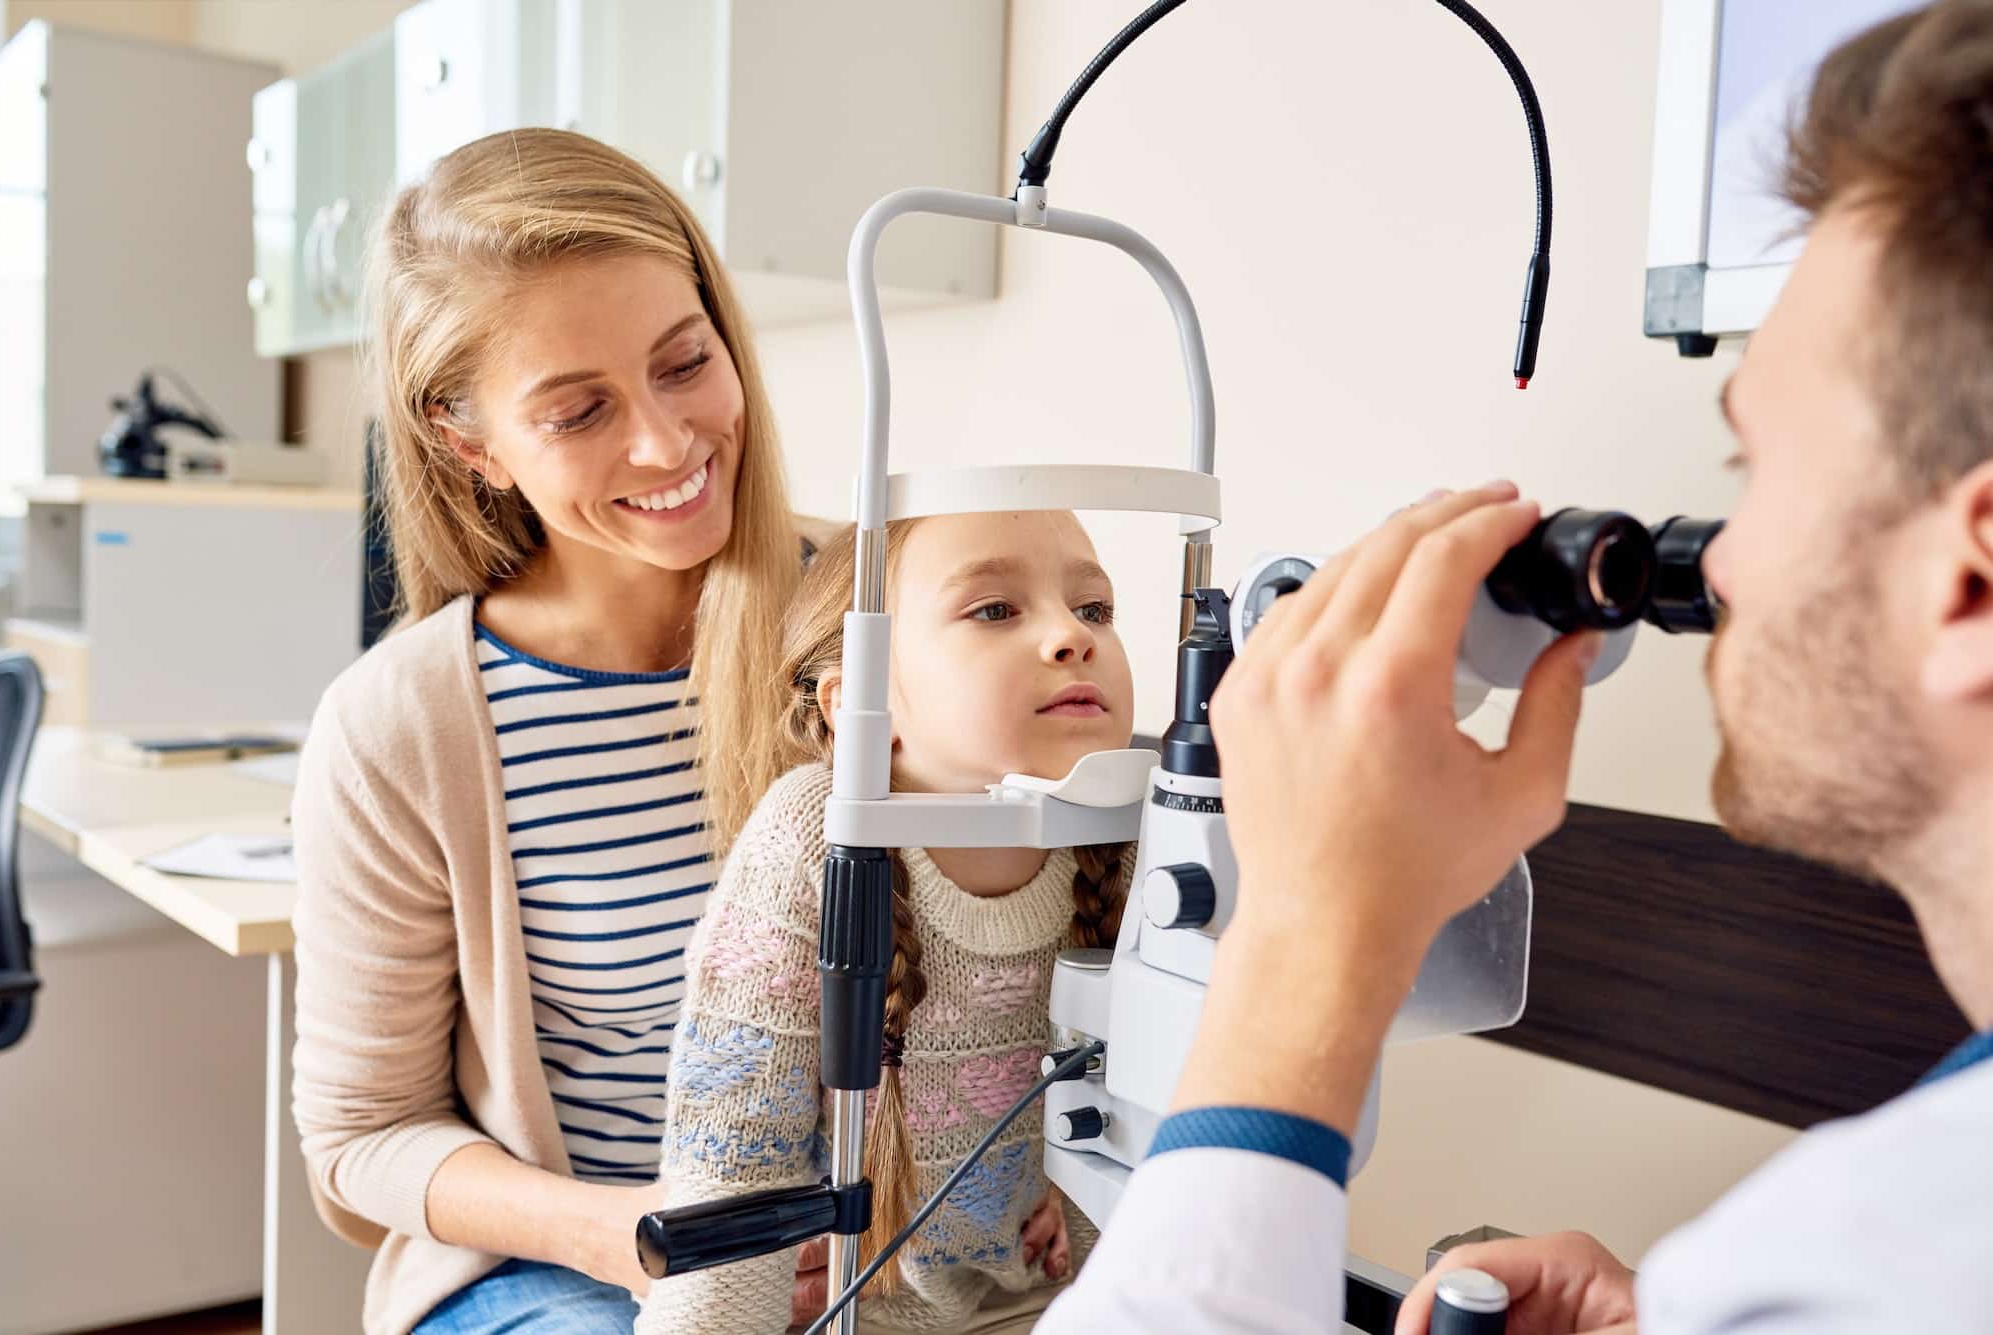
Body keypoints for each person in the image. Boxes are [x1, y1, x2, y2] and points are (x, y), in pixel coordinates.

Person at [1039, 2, 1993, 1331]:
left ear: (1973, 577)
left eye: (1754, 470)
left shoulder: (1875, 1262)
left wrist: (1308, 942)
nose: (1712, 568)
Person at [289, 129, 833, 1335]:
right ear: (469, 443)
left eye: (684, 364)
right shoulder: (402, 728)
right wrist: (649, 1242)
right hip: (567, 1276)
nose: (664, 443)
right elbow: (361, 1141)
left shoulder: (878, 614)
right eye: (580, 411)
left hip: (878, 1250)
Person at [640, 512, 1134, 1333]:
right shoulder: (809, 840)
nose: (1070, 637)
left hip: (1068, 1301)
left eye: (1095, 609)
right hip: (863, 1312)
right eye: (996, 610)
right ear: (861, 701)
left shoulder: (1131, 837)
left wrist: (1082, 1209)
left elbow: (1176, 1117)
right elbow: (733, 1160)